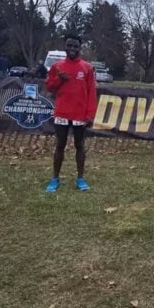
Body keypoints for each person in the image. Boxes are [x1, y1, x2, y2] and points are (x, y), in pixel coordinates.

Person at [43, 35, 97, 193]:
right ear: (65, 47)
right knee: (60, 145)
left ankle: (80, 178)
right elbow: (50, 88)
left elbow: (91, 92)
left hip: (80, 114)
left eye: (75, 46)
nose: (72, 49)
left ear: (80, 48)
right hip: (62, 112)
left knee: (79, 146)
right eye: (69, 46)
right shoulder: (57, 66)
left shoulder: (87, 67)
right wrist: (60, 80)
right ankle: (55, 178)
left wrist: (90, 114)